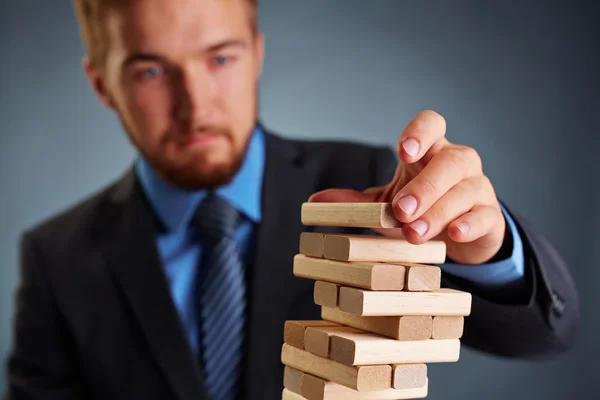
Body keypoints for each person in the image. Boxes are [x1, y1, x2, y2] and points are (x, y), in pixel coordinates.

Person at [4, 0, 580, 399]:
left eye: (221, 58)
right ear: (102, 83)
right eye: (152, 70)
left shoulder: (372, 183)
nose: (195, 103)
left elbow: (544, 337)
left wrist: (481, 245)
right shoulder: (56, 258)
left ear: (257, 53)